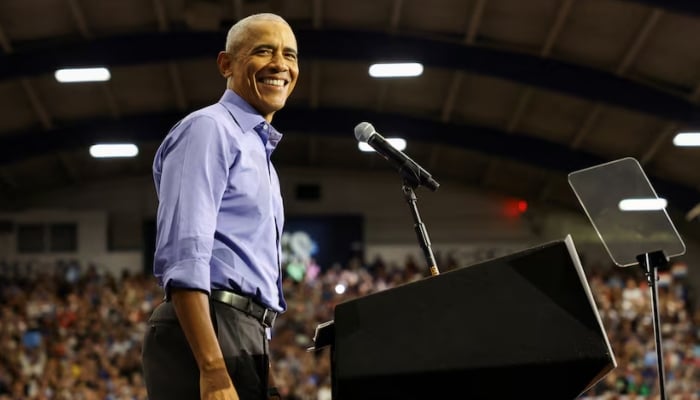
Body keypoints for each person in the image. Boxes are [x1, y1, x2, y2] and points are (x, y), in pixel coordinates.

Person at [141, 12, 299, 400]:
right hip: (209, 328)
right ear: (226, 64)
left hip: (243, 331)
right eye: (264, 51)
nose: (280, 64)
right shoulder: (209, 129)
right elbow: (186, 255)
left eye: (290, 55)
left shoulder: (257, 148)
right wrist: (212, 368)